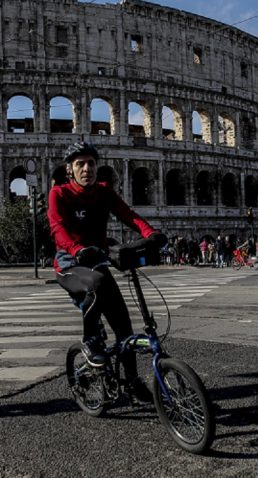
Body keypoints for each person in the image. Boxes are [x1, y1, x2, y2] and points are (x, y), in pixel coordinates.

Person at [47, 142, 166, 404]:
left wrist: (151, 234)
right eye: (80, 164)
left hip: (97, 262)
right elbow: (57, 229)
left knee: (124, 327)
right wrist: (77, 249)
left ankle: (133, 381)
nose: (86, 168)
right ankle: (90, 341)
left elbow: (128, 215)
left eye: (91, 163)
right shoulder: (59, 193)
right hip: (70, 265)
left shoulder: (103, 191)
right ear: (70, 170)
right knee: (97, 283)